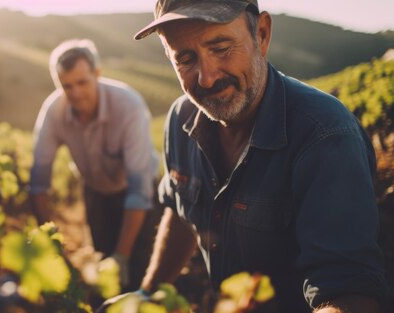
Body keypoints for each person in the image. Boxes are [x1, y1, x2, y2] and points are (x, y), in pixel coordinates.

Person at [102, 0, 388, 312]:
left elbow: (349, 293)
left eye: (221, 47)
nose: (206, 78)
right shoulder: (180, 120)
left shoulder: (324, 136)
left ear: (261, 34)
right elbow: (181, 213)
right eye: (185, 59)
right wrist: (147, 296)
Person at [29, 39, 160, 291]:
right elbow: (38, 184)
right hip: (96, 191)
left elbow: (138, 191)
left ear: (97, 74)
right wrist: (55, 250)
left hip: (140, 196)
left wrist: (121, 256)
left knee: (140, 271)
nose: (75, 93)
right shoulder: (53, 111)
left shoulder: (128, 107)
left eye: (82, 82)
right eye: (67, 86)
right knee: (105, 264)